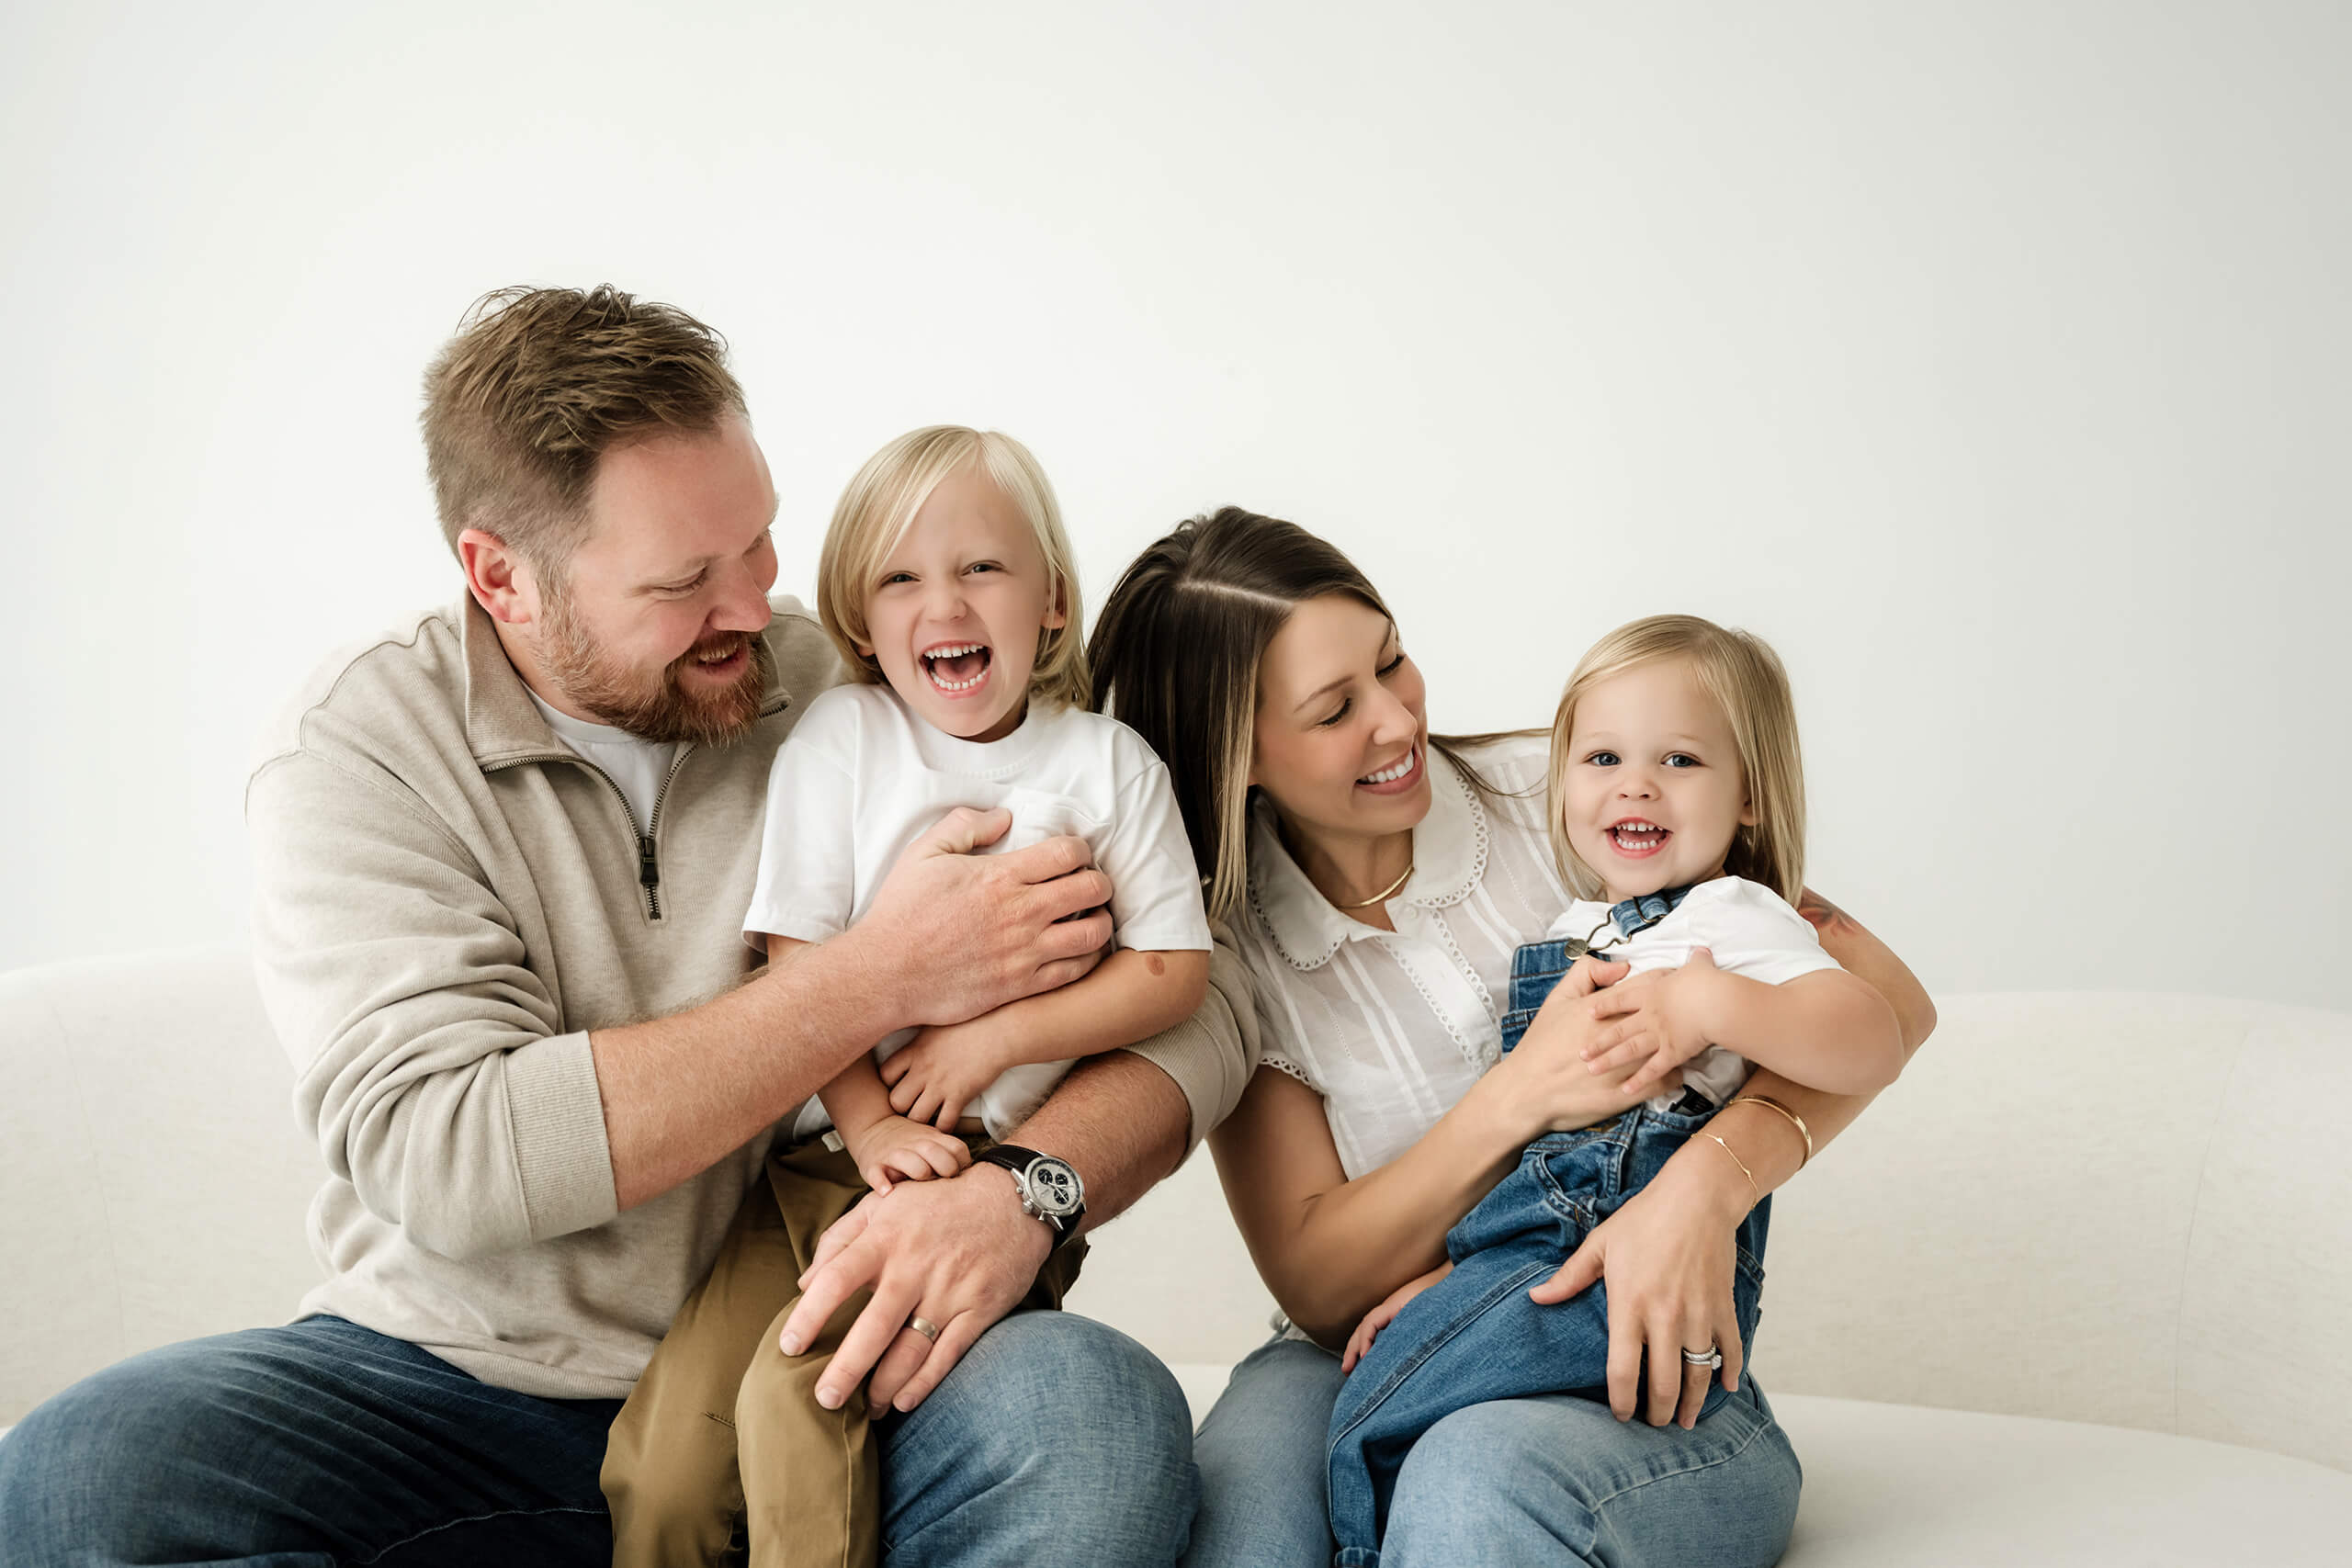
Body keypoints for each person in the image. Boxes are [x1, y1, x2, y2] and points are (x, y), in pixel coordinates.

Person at [0, 288, 1252, 1567]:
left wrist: (1024, 1189)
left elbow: (1210, 1003)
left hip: (834, 1335)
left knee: (1092, 1416)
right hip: (455, 1392)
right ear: (502, 575)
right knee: (79, 1476)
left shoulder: (859, 686)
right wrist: (883, 972)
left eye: (758, 544)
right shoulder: (361, 749)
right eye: (686, 581)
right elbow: (452, 1150)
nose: (756, 608)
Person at [1087, 508, 1938, 1568]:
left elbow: (1888, 1002)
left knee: (1471, 1477)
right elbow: (1315, 1282)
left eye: (1392, 662)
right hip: (1375, 1332)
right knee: (1252, 1516)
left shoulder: (1587, 792)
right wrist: (1521, 1094)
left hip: (1623, 1341)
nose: (1396, 722)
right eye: (1332, 709)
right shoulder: (1230, 948)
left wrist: (1701, 1190)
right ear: (1236, 757)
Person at [602, 425, 1212, 1568]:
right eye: (901, 577)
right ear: (858, 624)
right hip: (814, 1164)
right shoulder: (842, 740)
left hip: (982, 1181)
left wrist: (994, 1045)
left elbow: (1175, 976)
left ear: (1050, 601)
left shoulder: (1107, 767)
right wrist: (873, 1123)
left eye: (982, 566)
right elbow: (801, 959)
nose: (946, 602)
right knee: (662, 1467)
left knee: (796, 1412)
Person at [1323, 614, 1905, 1564]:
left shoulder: (1734, 916)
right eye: (1600, 758)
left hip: (1635, 1286)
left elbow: (1871, 1037)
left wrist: (1710, 1001)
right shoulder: (1576, 929)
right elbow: (1534, 1166)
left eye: (1678, 760)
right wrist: (1461, 1281)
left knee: (1365, 1421)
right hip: (1540, 1253)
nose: (1634, 784)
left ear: (1749, 796)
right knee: (1381, 1391)